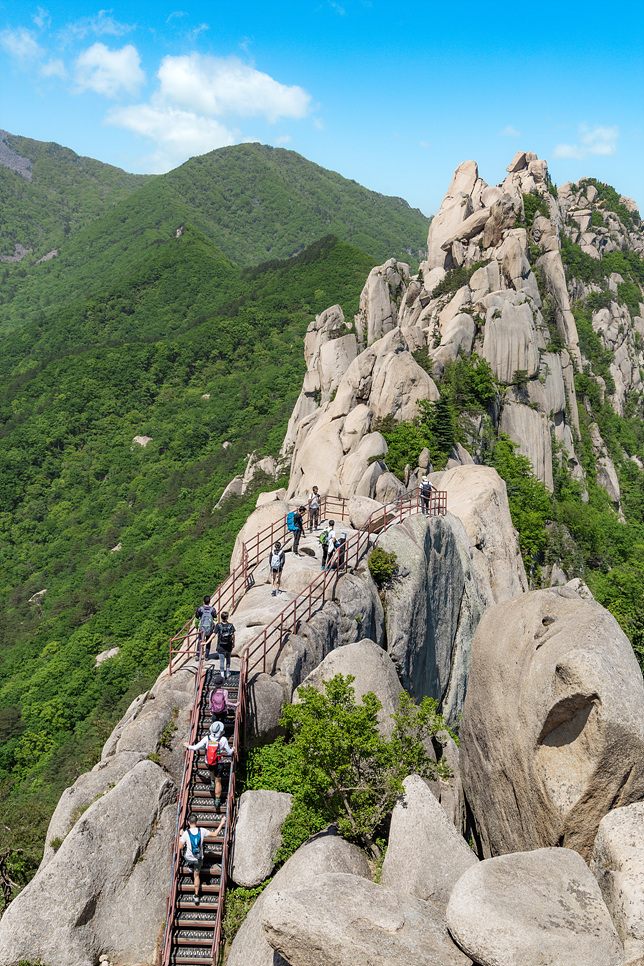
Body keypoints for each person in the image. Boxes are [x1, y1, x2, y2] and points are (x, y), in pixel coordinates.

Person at [184, 720, 234, 807]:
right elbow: (229, 752)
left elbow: (196, 747)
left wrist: (189, 746)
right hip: (219, 763)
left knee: (211, 770)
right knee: (219, 781)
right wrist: (233, 749)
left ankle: (212, 782)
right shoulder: (223, 739)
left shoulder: (207, 738)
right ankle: (217, 800)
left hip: (209, 761)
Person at [179, 811, 225, 905]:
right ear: (197, 822)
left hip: (189, 858)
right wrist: (221, 823)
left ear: (188, 823)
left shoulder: (185, 833)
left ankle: (189, 865)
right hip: (199, 859)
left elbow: (179, 847)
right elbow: (215, 834)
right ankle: (196, 896)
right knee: (196, 876)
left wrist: (181, 835)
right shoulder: (202, 830)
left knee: (185, 851)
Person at [213, 613, 235, 678]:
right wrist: (233, 643)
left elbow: (214, 634)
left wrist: (206, 642)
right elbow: (233, 636)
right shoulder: (230, 625)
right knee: (228, 658)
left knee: (221, 660)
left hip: (221, 645)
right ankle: (227, 672)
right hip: (228, 645)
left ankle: (222, 674)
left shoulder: (218, 625)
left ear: (221, 617)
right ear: (227, 617)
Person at [195, 595, 216, 659]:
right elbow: (215, 619)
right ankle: (206, 656)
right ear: (209, 602)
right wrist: (213, 626)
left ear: (203, 601)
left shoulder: (200, 609)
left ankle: (198, 655)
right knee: (208, 641)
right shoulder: (212, 610)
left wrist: (196, 626)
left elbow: (196, 619)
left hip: (202, 628)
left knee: (200, 640)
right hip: (209, 628)